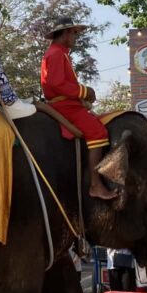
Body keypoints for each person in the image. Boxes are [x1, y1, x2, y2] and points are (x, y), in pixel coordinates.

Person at [40, 16, 115, 199]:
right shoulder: (56, 54)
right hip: (64, 106)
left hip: (68, 103)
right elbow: (57, 84)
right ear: (65, 33)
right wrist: (84, 91)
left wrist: (82, 95)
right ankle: (96, 185)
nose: (76, 37)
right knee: (98, 132)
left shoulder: (60, 53)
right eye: (74, 33)